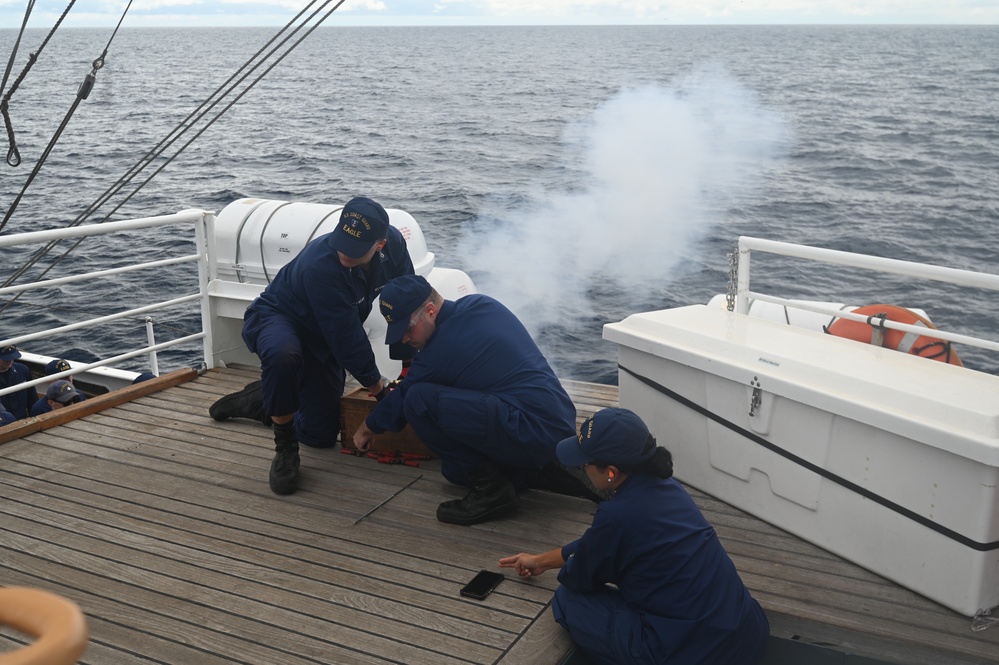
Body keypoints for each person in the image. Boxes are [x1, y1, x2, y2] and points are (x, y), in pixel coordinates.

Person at [498, 408, 770, 665]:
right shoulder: (670, 488)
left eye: (584, 465)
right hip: (746, 634)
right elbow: (602, 543)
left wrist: (575, 566)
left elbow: (580, 577)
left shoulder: (616, 516)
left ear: (611, 473)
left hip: (689, 655)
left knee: (568, 600)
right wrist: (542, 561)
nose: (582, 469)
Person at [208, 196, 415, 495]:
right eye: (341, 241)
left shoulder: (393, 245)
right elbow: (346, 338)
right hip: (279, 318)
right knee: (283, 355)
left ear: (380, 245)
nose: (344, 252)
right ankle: (285, 448)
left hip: (322, 337)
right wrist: (381, 393)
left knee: (320, 434)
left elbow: (407, 297)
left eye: (355, 249)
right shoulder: (322, 265)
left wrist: (408, 364)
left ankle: (263, 400)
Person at [353, 274, 589, 526]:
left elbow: (402, 398)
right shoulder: (482, 304)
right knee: (453, 472)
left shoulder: (438, 352)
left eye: (407, 329)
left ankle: (493, 492)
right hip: (556, 419)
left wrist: (367, 427)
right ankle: (530, 471)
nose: (404, 339)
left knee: (417, 399)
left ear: (430, 311)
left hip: (531, 429)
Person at [0, 344, 39, 421]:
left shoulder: (23, 370)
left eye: (13, 358)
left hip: (23, 420)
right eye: (6, 359)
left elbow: (32, 398)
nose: (10, 361)